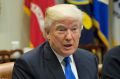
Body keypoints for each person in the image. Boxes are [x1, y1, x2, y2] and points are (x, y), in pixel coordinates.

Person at [12, 4, 98, 79]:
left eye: (74, 29)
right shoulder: (27, 65)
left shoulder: (89, 59)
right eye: (61, 30)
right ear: (47, 33)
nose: (69, 37)